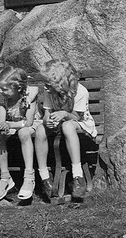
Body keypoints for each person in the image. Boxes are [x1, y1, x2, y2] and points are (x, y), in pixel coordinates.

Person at [34, 60, 97, 199]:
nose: (45, 87)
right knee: (40, 129)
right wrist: (47, 121)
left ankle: (77, 175)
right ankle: (44, 176)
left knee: (67, 125)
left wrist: (64, 114)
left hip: (79, 123)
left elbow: (77, 116)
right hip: (58, 123)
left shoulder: (80, 91)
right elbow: (46, 114)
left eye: (48, 84)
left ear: (60, 83)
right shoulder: (49, 92)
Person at [0, 66, 40, 204]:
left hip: (29, 124)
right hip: (12, 123)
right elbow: (2, 118)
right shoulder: (2, 96)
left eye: (5, 89)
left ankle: (29, 176)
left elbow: (28, 122)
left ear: (18, 88)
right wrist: (3, 125)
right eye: (0, 88)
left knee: (24, 133)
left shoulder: (29, 95)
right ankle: (5, 177)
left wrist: (9, 125)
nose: (1, 91)